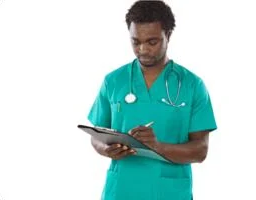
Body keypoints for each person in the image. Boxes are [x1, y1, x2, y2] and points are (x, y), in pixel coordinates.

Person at [88, 1, 217, 199]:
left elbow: (200, 151)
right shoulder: (113, 81)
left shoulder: (192, 85)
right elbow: (96, 136)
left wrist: (158, 147)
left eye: (152, 42)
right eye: (135, 42)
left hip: (169, 192)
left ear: (168, 36)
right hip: (121, 190)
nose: (143, 50)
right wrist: (107, 149)